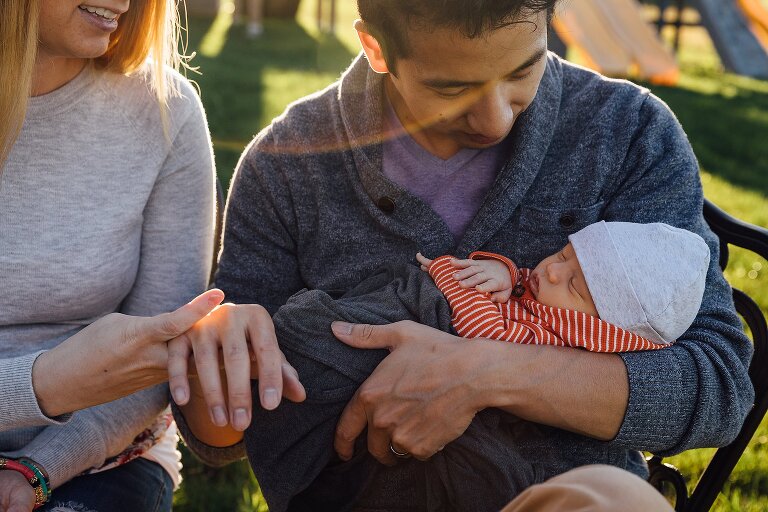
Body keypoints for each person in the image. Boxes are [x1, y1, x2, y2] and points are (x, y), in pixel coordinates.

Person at [170, 0, 753, 510]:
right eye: (452, 89)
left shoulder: (625, 131)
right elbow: (220, 438)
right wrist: (218, 369)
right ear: (375, 48)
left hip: (569, 495)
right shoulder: (287, 164)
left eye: (523, 70)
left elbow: (720, 387)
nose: (495, 118)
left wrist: (485, 373)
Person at [0, 1, 304, 511]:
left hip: (98, 457)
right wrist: (42, 385)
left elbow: (157, 353)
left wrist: (38, 467)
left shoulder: (166, 108)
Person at [417, 221, 710, 351]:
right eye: (564, 254)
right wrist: (508, 274)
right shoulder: (557, 305)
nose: (553, 271)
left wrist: (451, 273)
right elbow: (525, 283)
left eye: (574, 286)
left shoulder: (555, 342)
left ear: (597, 326)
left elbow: (486, 336)